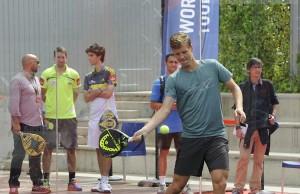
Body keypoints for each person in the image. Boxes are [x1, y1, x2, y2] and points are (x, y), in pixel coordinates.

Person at [133, 32, 246, 194]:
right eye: (177, 54)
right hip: (191, 138)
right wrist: (145, 129)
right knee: (177, 185)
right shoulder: (174, 79)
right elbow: (165, 109)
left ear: (191, 48)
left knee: (220, 181)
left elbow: (235, 87)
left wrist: (239, 107)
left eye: (184, 52)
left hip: (216, 136)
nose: (181, 57)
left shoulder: (212, 66)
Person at [232, 58, 279, 194]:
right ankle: (238, 187)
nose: (258, 70)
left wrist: (273, 116)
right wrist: (237, 127)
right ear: (249, 70)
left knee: (259, 160)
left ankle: (255, 189)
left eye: (259, 67)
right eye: (255, 67)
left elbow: (274, 103)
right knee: (243, 159)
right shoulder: (241, 87)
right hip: (246, 128)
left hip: (263, 128)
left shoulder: (268, 85)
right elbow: (236, 109)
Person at [8, 54, 51, 194]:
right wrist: (15, 123)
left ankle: (37, 184)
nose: (39, 64)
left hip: (37, 123)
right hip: (23, 124)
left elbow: (39, 101)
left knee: (36, 156)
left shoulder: (36, 80)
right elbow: (13, 104)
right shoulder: (17, 80)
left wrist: (43, 117)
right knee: (18, 155)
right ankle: (13, 185)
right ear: (29, 63)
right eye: (37, 62)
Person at [40, 47, 82, 191]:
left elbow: (76, 94)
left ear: (66, 57)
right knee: (47, 149)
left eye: (63, 57)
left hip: (69, 117)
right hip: (51, 117)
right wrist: (50, 108)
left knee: (70, 149)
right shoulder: (46, 74)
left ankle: (72, 181)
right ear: (54, 58)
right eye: (58, 57)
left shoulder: (74, 74)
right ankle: (45, 182)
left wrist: (66, 106)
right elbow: (42, 94)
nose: (61, 60)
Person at [83, 43, 117, 193]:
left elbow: (109, 93)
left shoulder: (109, 72)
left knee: (106, 148)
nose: (89, 58)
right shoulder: (88, 77)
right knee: (98, 149)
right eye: (88, 55)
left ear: (99, 56)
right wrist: (100, 90)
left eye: (91, 55)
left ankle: (105, 181)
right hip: (94, 116)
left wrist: (94, 91)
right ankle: (101, 179)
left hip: (107, 116)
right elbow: (85, 98)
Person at [150, 53, 183, 193]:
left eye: (176, 62)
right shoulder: (159, 82)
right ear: (166, 63)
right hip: (164, 125)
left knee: (182, 155)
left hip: (182, 125)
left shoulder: (184, 81)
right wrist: (167, 106)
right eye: (171, 62)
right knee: (163, 153)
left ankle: (181, 183)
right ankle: (162, 184)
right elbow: (152, 104)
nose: (174, 64)